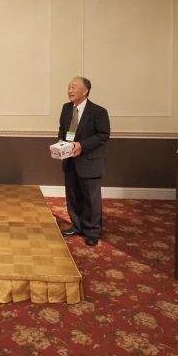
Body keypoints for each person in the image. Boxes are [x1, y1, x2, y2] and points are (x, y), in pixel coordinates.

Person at [57, 77, 110, 246]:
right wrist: (61, 141)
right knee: (73, 196)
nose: (69, 90)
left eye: (74, 87)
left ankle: (92, 231)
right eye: (69, 87)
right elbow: (63, 129)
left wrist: (82, 145)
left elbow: (103, 135)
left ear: (85, 91)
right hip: (70, 160)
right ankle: (77, 226)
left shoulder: (98, 111)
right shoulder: (66, 108)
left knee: (91, 199)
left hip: (89, 161)